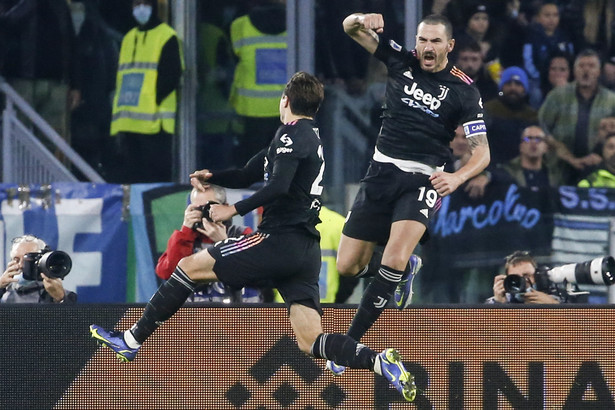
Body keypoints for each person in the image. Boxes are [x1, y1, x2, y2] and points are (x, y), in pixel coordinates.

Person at [90, 71, 417, 403]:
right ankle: (379, 361)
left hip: (277, 240)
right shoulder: (304, 138)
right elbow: (249, 172)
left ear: (285, 101)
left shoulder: (291, 135)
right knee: (310, 341)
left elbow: (277, 186)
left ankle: (131, 340)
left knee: (189, 266)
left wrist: (231, 210)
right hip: (303, 253)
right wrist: (212, 175)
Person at [325, 13, 490, 375]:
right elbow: (349, 28)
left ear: (450, 46)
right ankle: (402, 272)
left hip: (422, 180)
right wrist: (359, 17)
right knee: (348, 266)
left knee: (394, 257)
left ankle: (347, 346)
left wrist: (458, 177)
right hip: (380, 173)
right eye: (422, 40)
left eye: (434, 42)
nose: (427, 49)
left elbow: (482, 153)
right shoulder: (402, 59)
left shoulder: (464, 90)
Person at [109, 0, 184, 183]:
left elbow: (172, 74)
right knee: (133, 177)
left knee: (155, 178)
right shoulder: (128, 38)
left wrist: (153, 100)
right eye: (136, 4)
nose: (140, 8)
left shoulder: (166, 36)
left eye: (144, 3)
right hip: (129, 122)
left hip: (154, 123)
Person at [155, 185, 262, 303]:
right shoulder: (185, 240)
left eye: (209, 206)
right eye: (198, 208)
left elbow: (258, 273)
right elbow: (168, 274)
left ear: (225, 207)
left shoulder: (241, 234)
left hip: (241, 314)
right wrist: (186, 231)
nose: (205, 212)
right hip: (195, 316)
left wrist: (224, 243)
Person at [0, 0, 81, 142]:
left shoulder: (60, 4)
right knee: (18, 139)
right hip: (21, 82)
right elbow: (7, 24)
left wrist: (75, 84)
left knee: (54, 142)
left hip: (57, 84)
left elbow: (71, 42)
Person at [539, 49, 615, 185]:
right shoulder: (558, 95)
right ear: (574, 71)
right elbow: (542, 127)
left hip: (598, 167)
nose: (586, 70)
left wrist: (599, 153)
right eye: (581, 66)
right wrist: (564, 153)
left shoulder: (611, 99)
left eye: (591, 66)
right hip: (559, 165)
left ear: (599, 72)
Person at [229, 0, 287, 168]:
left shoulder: (239, 26)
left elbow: (234, 57)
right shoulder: (298, 23)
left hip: (250, 109)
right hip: (289, 108)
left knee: (251, 165)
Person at [522, 2, 574, 108]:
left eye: (555, 15)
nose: (551, 19)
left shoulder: (564, 36)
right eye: (547, 15)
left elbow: (571, 60)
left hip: (561, 76)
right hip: (537, 78)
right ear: (538, 18)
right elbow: (528, 61)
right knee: (536, 93)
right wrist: (540, 77)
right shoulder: (531, 37)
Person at [484, 66, 538, 166]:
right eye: (508, 84)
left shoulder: (531, 115)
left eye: (518, 84)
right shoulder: (489, 109)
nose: (513, 88)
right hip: (494, 165)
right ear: (501, 87)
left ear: (524, 89)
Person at [0, 235, 76, 303]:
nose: (20, 265)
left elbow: (72, 318)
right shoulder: (4, 295)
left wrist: (61, 299)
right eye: (16, 260)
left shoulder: (67, 297)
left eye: (27, 260)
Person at [492, 124, 563, 190]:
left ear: (546, 147)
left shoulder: (555, 174)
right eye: (528, 139)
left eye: (538, 139)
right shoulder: (507, 171)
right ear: (521, 146)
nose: (533, 143)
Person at [487, 250, 565, 304]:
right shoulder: (496, 302)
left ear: (538, 276)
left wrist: (553, 306)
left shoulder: (556, 298)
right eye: (515, 278)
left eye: (526, 276)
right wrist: (499, 305)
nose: (522, 282)